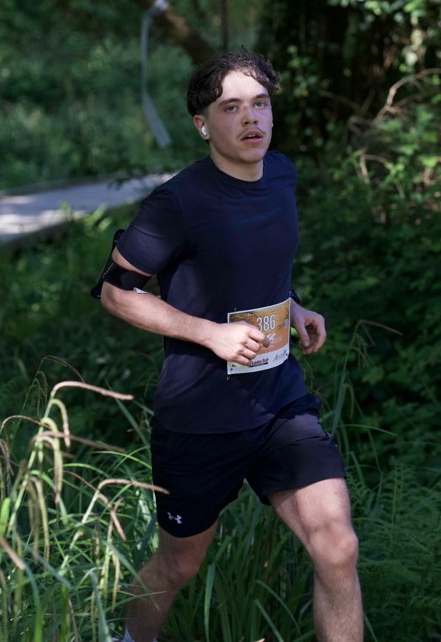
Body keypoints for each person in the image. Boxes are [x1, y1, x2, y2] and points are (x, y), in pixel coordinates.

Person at [93, 49, 363, 642]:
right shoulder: (178, 203)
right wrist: (209, 333)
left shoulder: (281, 174)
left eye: (260, 104)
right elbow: (115, 293)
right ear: (202, 124)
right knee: (178, 565)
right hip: (201, 416)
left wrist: (292, 305)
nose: (250, 118)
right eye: (231, 107)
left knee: (337, 547)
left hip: (277, 399)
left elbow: (255, 264)